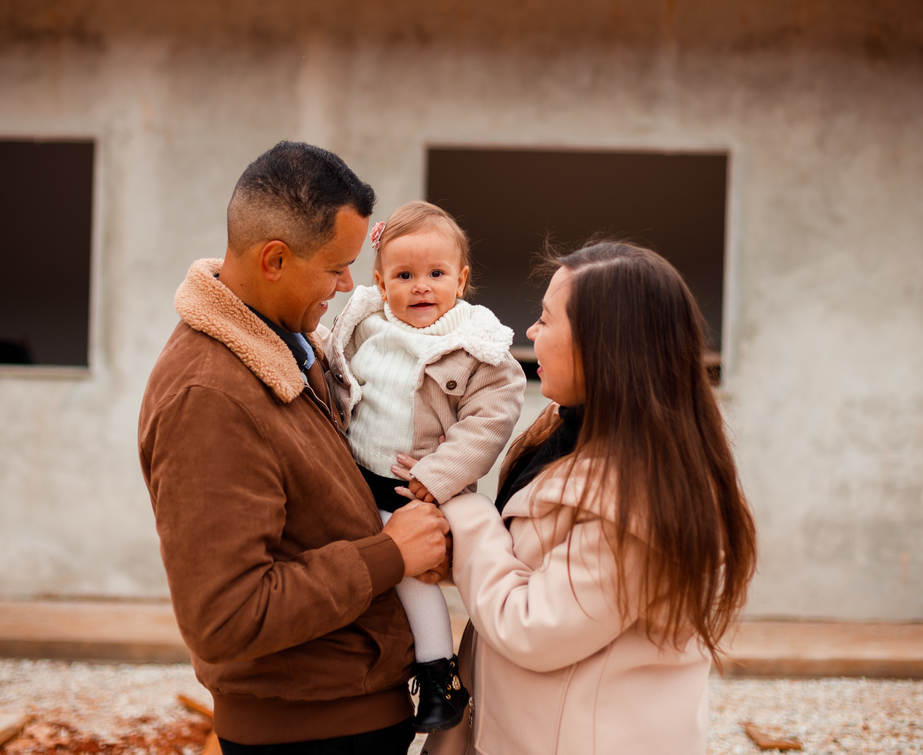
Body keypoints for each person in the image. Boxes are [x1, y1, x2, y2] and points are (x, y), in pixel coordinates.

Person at [138, 142, 451, 755]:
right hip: (307, 735)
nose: (348, 285)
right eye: (337, 266)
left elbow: (322, 517)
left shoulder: (287, 349)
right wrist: (389, 555)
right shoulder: (210, 394)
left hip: (347, 713)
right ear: (274, 260)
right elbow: (227, 617)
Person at [429, 241, 758, 754]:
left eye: (545, 319)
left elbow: (533, 626)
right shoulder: (563, 428)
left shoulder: (643, 499)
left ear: (606, 345)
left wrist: (462, 506)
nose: (530, 333)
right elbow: (530, 560)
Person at [325, 201, 526, 733]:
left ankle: (440, 676)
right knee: (355, 565)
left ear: (460, 280)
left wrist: (436, 476)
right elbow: (332, 373)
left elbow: (488, 422)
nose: (421, 287)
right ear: (379, 280)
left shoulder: (476, 347)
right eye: (405, 275)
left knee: (411, 574)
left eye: (436, 274)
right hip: (355, 476)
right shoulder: (363, 325)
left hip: (416, 488)